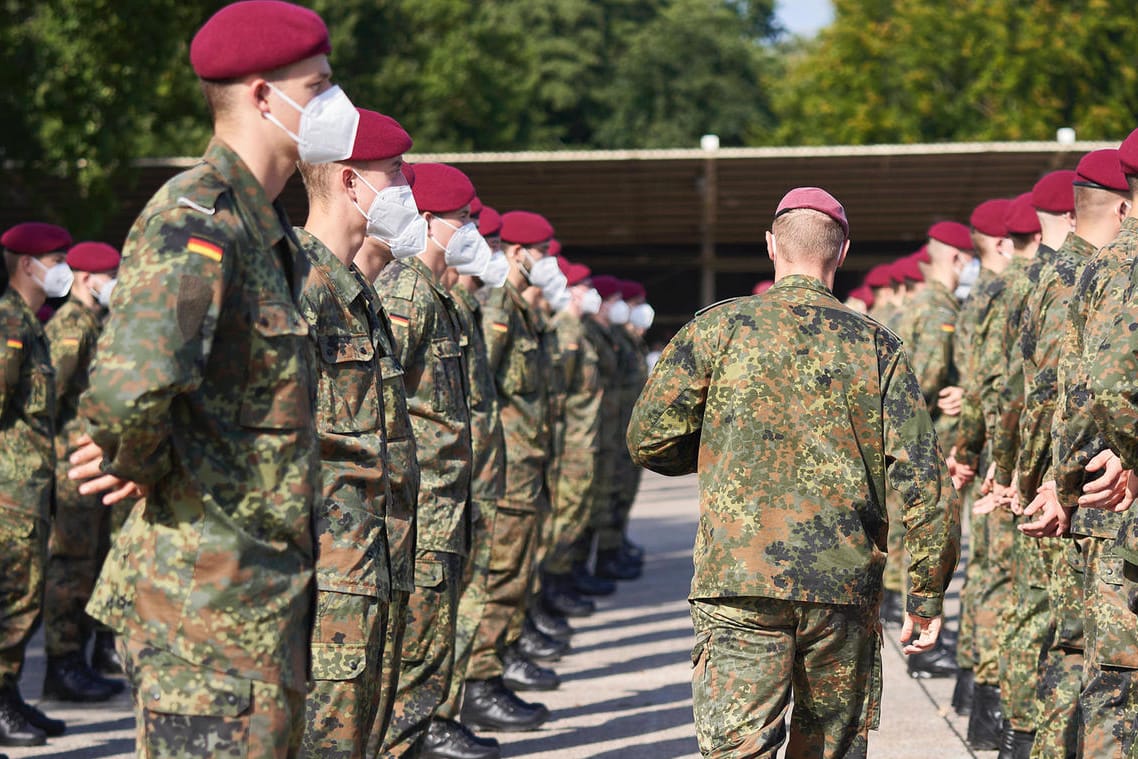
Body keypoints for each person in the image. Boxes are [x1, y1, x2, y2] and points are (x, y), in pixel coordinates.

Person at [68, 2, 356, 755]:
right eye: (319, 84)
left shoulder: (266, 233)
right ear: (266, 97)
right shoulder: (199, 220)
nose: (335, 101)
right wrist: (143, 464)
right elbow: (129, 392)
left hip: (259, 607)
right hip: (205, 615)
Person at [628, 187, 960, 758]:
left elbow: (649, 439)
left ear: (769, 246)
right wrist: (926, 596)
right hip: (841, 584)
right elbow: (925, 484)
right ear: (843, 251)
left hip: (739, 577)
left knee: (737, 749)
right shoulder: (877, 346)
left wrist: (712, 454)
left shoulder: (717, 330)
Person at [291, 107, 417, 757]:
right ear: (348, 182)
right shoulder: (297, 287)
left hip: (375, 572)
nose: (406, 189)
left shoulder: (358, 294)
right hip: (326, 585)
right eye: (393, 172)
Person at [373, 162, 475, 756]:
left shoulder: (440, 297)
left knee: (432, 641)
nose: (469, 231)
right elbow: (384, 405)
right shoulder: (404, 293)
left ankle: (417, 735)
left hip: (446, 497)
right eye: (462, 219)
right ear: (431, 221)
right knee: (411, 647)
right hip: (422, 503)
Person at [460, 211, 558, 733]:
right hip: (505, 468)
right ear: (519, 253)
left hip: (524, 466)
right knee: (498, 574)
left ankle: (494, 665)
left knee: (515, 571)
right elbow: (484, 393)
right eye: (543, 252)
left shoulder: (517, 307)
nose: (550, 263)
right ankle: (479, 683)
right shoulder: (496, 305)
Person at [42, 241, 125, 704]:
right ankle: (62, 663)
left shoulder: (95, 321)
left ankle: (89, 655)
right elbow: (47, 400)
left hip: (92, 460)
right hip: (72, 464)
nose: (113, 281)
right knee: (71, 565)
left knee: (93, 560)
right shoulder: (71, 327)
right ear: (87, 278)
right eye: (108, 274)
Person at [0, 222, 72, 749]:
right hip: (10, 491)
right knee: (13, 600)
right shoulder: (9, 323)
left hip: (29, 487)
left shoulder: (27, 320)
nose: (61, 267)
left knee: (24, 598)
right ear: (27, 265)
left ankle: (10, 696)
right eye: (55, 258)